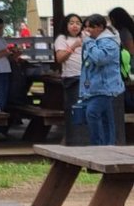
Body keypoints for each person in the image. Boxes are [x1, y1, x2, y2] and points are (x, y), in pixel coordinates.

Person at [79, 14, 123, 145]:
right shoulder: (94, 41)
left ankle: (97, 146)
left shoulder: (110, 42)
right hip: (93, 88)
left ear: (100, 27)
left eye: (89, 27)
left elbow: (100, 59)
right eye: (85, 27)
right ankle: (109, 146)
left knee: (92, 113)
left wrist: (88, 42)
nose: (87, 31)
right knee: (106, 119)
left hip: (105, 88)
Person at [53, 13, 84, 108]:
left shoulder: (84, 37)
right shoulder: (62, 38)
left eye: (78, 23)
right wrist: (74, 46)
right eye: (71, 23)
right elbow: (60, 58)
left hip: (86, 76)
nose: (75, 26)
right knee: (75, 105)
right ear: (66, 25)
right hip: (72, 77)